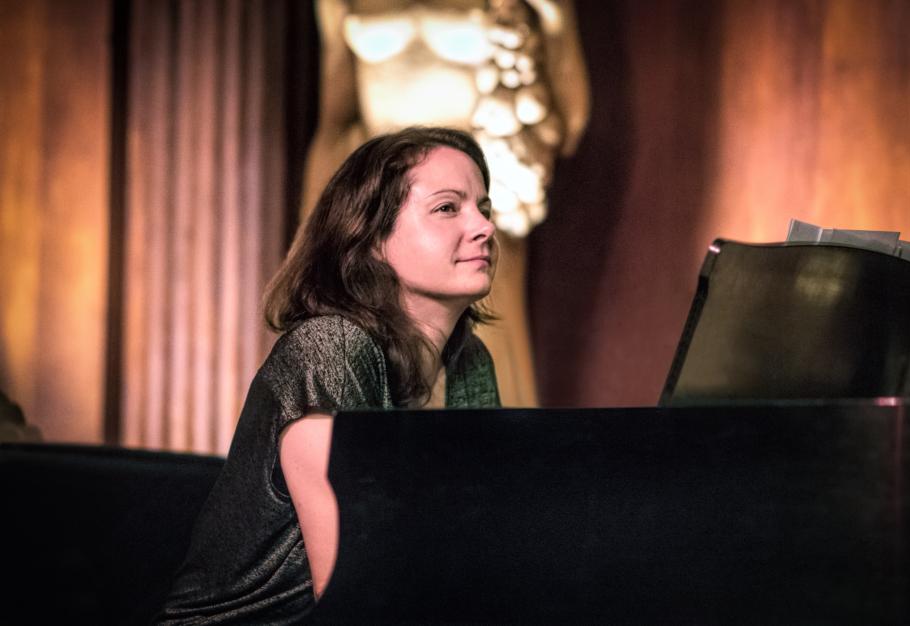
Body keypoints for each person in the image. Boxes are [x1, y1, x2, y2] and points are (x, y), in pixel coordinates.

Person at [156, 127, 501, 624]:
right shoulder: (330, 350)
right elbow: (348, 589)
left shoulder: (471, 363)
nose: (484, 228)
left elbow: (483, 541)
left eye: (483, 208)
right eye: (448, 208)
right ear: (373, 238)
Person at [305, 0, 591, 407]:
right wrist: (319, 218)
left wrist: (555, 18)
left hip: (473, 195)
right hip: (384, 203)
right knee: (373, 351)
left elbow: (571, 121)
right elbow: (335, 116)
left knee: (477, 350)